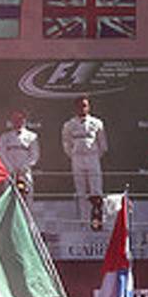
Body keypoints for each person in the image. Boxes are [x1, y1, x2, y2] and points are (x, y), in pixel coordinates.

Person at [59, 97, 107, 226]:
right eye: (80, 106)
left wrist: (95, 155)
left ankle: (97, 220)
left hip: (93, 157)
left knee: (96, 190)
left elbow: (102, 144)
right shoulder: (69, 125)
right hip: (77, 158)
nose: (82, 108)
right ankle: (84, 221)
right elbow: (66, 144)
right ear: (75, 108)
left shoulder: (97, 123)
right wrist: (74, 154)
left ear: (89, 107)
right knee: (80, 191)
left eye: (85, 105)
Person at [0, 110, 40, 200]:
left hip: (25, 172)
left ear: (25, 120)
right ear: (11, 121)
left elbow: (34, 155)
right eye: (15, 119)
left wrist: (23, 168)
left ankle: (26, 214)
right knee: (9, 198)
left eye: (20, 118)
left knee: (27, 197)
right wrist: (11, 169)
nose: (18, 121)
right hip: (10, 172)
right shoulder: (5, 137)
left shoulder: (32, 136)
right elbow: (2, 154)